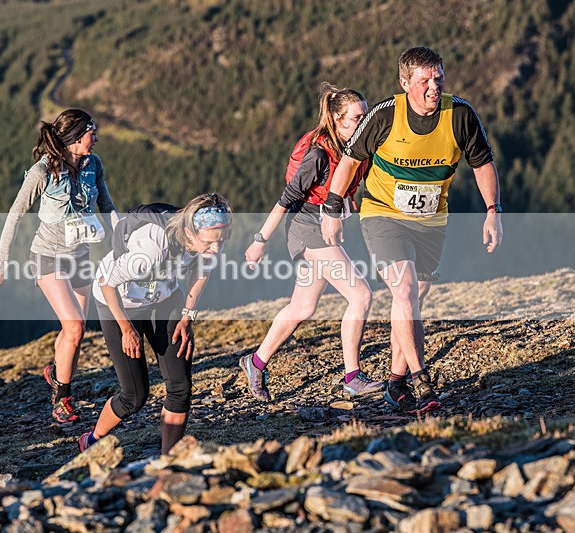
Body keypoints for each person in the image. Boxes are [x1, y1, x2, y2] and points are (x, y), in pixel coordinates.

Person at [321, 46, 503, 414]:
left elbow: (482, 164)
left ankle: (395, 381)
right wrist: (332, 208)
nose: (433, 87)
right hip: (383, 214)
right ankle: (423, 383)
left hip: (432, 220)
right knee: (403, 289)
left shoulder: (461, 115)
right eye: (424, 81)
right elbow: (349, 160)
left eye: (438, 79)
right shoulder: (385, 115)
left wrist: (493, 211)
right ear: (405, 84)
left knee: (412, 298)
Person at [242, 83, 379, 402]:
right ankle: (352, 377)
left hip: (317, 228)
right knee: (360, 295)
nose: (364, 122)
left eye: (365, 115)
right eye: (357, 118)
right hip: (308, 228)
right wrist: (259, 240)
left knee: (303, 306)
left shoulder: (352, 146)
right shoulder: (318, 154)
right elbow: (286, 199)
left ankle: (256, 362)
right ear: (337, 118)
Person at [0, 108, 118, 424]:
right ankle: (62, 400)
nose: (96, 138)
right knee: (75, 327)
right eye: (91, 133)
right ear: (74, 137)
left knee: (73, 333)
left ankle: (56, 371)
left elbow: (107, 206)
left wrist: (124, 244)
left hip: (80, 257)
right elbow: (15, 215)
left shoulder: (93, 165)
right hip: (48, 257)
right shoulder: (42, 172)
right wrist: (1, 262)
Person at [78, 193, 232, 455]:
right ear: (188, 232)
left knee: (180, 387)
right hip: (121, 304)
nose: (216, 248)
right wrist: (126, 328)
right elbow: (107, 283)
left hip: (165, 300)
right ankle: (91, 439)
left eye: (221, 240)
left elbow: (201, 268)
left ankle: (167, 459)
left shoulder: (207, 238)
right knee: (134, 396)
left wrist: (187, 315)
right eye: (210, 242)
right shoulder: (150, 250)